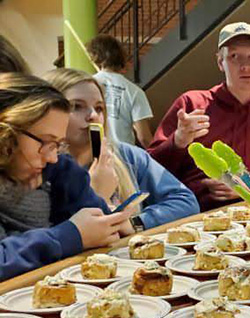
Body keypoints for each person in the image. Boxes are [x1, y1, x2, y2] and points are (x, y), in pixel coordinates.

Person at [148, 22, 250, 211]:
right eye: (234, 56)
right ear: (220, 62)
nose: (245, 66)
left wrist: (248, 187)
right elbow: (150, 169)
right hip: (192, 214)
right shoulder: (191, 104)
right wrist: (178, 141)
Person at [0, 73, 135, 280]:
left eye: (58, 145)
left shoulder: (58, 169)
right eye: (45, 142)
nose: (53, 157)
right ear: (6, 133)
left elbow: (101, 224)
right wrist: (69, 236)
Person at [44, 68, 199, 232]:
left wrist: (136, 223)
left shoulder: (127, 155)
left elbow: (186, 201)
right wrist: (95, 195)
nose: (93, 116)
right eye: (76, 106)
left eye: (99, 108)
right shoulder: (41, 168)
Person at [87, 34, 155, 148]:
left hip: (94, 154)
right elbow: (144, 137)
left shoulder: (87, 85)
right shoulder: (135, 92)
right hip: (123, 157)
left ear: (95, 56)